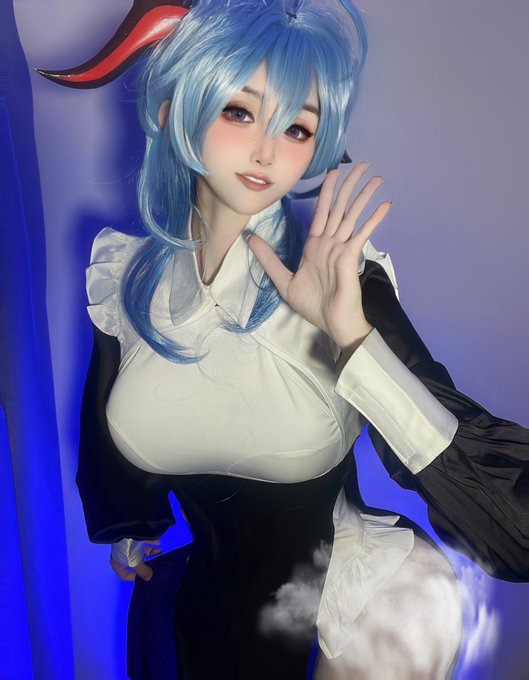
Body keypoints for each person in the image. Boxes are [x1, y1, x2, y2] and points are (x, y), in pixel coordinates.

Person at [69, 0, 529, 678]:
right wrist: (131, 526)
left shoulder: (342, 279)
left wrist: (352, 337)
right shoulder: (124, 279)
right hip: (203, 602)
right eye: (238, 111)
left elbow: (514, 533)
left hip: (353, 601)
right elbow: (107, 424)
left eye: (296, 127)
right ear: (172, 112)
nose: (267, 151)